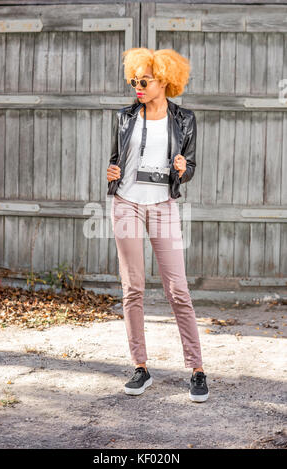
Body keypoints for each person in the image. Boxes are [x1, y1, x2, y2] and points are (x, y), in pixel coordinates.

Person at [106, 48, 209, 402]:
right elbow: (116, 160)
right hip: (126, 204)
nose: (137, 86)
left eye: (144, 80)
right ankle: (140, 367)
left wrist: (184, 168)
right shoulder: (124, 116)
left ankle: (196, 369)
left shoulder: (184, 119)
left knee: (177, 289)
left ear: (164, 80)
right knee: (132, 288)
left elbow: (190, 167)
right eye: (134, 80)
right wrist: (111, 173)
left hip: (163, 205)